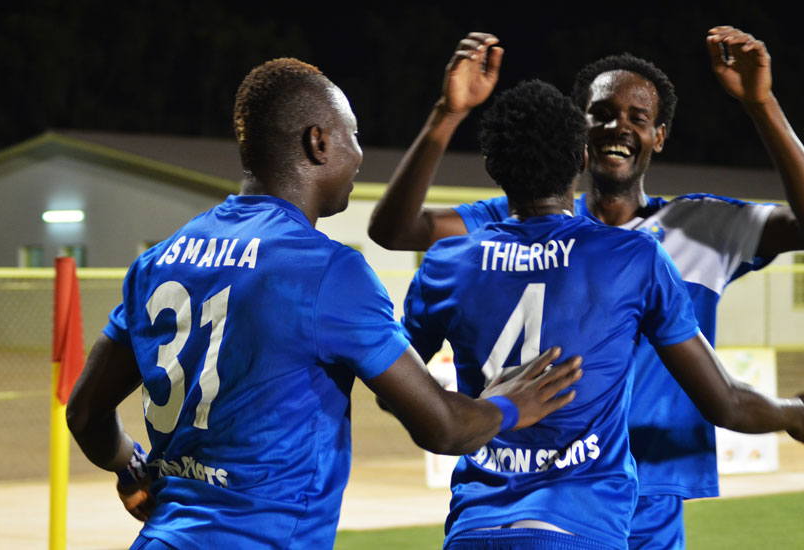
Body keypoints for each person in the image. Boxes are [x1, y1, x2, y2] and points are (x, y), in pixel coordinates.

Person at [65, 58, 585, 550]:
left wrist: (129, 465)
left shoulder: (158, 260)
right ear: (318, 142)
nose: (358, 154)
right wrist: (512, 404)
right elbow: (443, 426)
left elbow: (86, 412)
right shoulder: (327, 270)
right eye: (352, 136)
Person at [369, 27, 804, 549]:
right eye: (602, 114)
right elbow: (397, 230)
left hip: (643, 490)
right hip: (568, 488)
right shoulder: (526, 216)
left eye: (638, 117)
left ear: (659, 136)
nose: (619, 126)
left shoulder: (702, 225)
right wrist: (446, 111)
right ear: (579, 137)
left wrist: (762, 104)